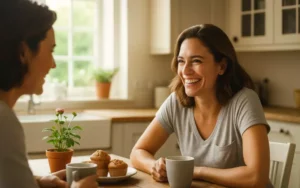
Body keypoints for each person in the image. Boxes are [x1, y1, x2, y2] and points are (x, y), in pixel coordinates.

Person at [130, 24, 272, 187]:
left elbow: (256, 177)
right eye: (181, 61)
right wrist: (155, 167)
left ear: (222, 66)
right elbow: (138, 152)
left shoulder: (244, 101)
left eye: (196, 61)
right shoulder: (176, 102)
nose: (185, 71)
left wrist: (195, 171)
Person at [0, 1, 98, 187]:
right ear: (23, 52)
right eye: (51, 50)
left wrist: (38, 182)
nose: (53, 64)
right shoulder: (3, 121)